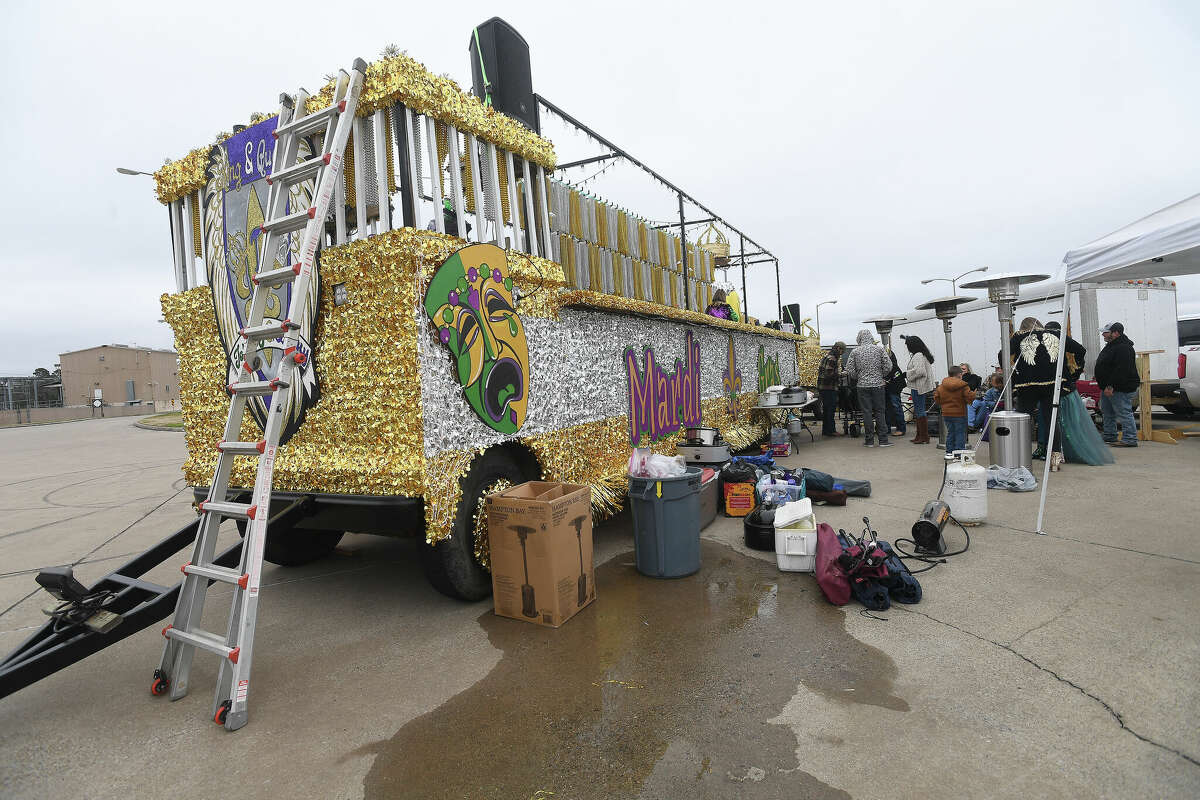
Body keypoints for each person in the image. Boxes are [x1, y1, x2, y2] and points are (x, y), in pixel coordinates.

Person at [1045, 321, 1113, 466]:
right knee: (1068, 423)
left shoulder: (1059, 342)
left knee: (1065, 423)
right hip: (1066, 388)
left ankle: (1063, 452)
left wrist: (1071, 374)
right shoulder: (1062, 345)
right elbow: (1080, 353)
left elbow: (1079, 353)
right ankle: (1063, 452)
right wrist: (1072, 375)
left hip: (1063, 390)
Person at [1010, 317, 1061, 461]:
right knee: (1051, 421)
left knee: (1023, 420)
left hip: (1028, 385)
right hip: (1051, 384)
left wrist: (1015, 370)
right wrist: (1068, 373)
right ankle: (1055, 458)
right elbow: (1079, 350)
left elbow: (1003, 353)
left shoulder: (1019, 337)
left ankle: (1020, 455)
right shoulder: (1053, 335)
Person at [1094, 321, 1140, 447]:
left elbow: (1121, 370)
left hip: (1119, 387)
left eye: (1106, 332)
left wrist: (1110, 386)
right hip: (1108, 387)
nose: (1103, 334)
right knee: (1107, 412)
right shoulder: (1112, 345)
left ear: (1115, 333)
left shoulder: (1124, 348)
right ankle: (1110, 436)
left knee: (1124, 412)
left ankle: (1130, 439)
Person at [846, 329, 892, 447]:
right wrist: (881, 375)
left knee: (866, 413)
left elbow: (850, 370)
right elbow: (889, 365)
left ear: (859, 338)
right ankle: (883, 440)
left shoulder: (855, 352)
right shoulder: (879, 349)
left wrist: (859, 376)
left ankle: (869, 441)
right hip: (878, 385)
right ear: (871, 337)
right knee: (880, 412)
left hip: (862, 386)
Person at [934, 365, 974, 456]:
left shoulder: (941, 386)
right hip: (959, 413)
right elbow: (969, 398)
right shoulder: (963, 385)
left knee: (950, 432)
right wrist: (973, 394)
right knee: (960, 433)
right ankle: (959, 454)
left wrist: (944, 404)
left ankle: (949, 452)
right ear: (959, 375)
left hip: (946, 414)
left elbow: (937, 398)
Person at [903, 335, 936, 444]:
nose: (907, 347)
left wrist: (907, 374)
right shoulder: (922, 354)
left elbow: (920, 372)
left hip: (918, 387)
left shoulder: (918, 355)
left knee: (920, 411)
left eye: (907, 345)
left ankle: (923, 436)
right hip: (920, 386)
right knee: (919, 411)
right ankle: (920, 435)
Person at [817, 342, 846, 437]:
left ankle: (825, 430)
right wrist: (840, 375)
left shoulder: (827, 356)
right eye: (842, 350)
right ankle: (831, 430)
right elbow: (829, 374)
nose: (842, 353)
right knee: (830, 409)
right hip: (828, 388)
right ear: (838, 348)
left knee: (826, 410)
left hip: (823, 388)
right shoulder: (832, 359)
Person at [885, 350, 907, 437]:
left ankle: (901, 429)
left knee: (896, 407)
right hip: (887, 389)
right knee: (887, 408)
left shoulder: (894, 367)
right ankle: (887, 428)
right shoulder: (888, 366)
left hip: (894, 389)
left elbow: (896, 379)